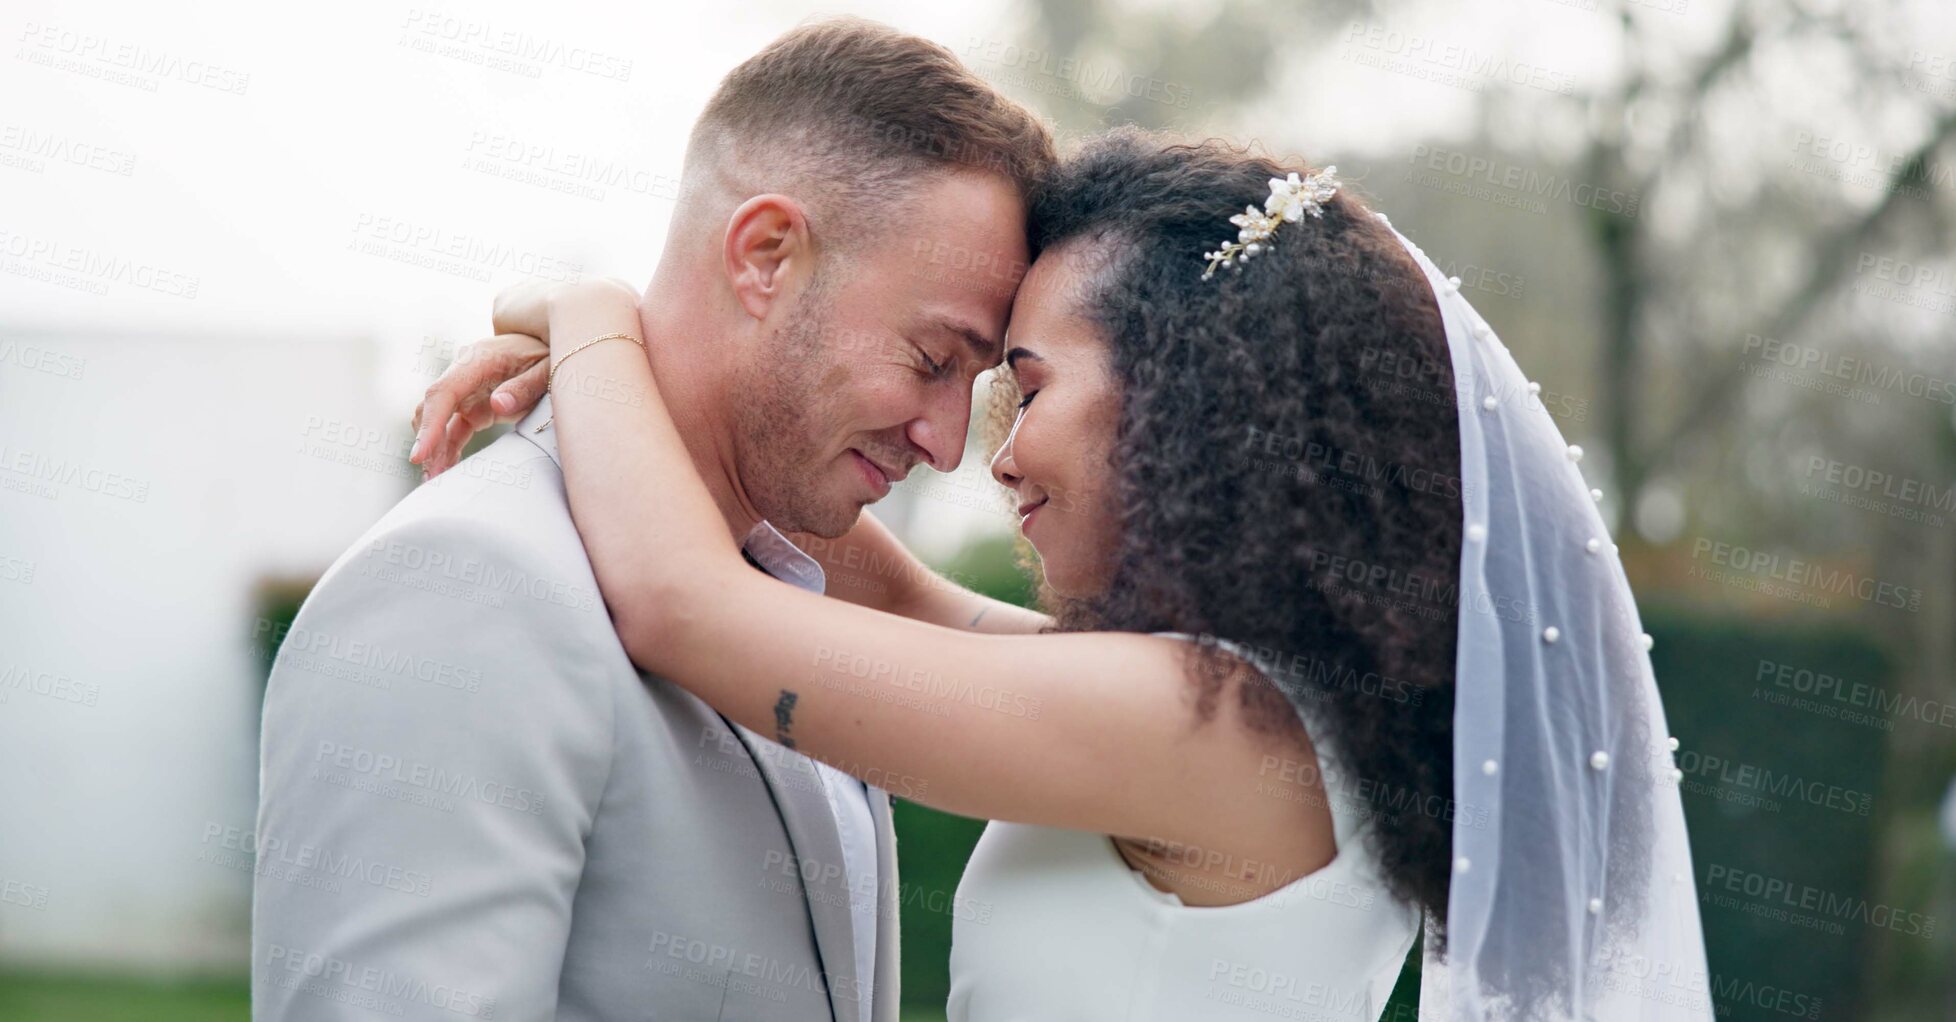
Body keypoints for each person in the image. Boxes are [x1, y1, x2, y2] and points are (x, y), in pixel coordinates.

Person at [429, 126, 1716, 1021]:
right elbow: (901, 595)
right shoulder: (1236, 698)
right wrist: (697, 376)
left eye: (1028, 385)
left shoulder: (1209, 729)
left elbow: (683, 607)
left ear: (1187, 402)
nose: (995, 451)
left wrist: (594, 315)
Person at [253, 19, 1054, 1022]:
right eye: (936, 359)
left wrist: (585, 312)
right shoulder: (465, 586)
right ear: (765, 255)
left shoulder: (796, 582)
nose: (946, 443)